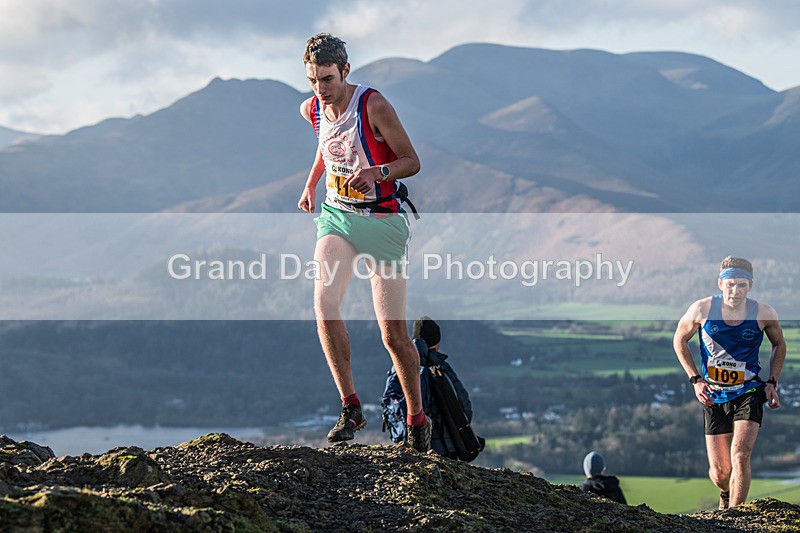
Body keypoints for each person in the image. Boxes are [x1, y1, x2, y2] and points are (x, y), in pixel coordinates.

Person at [297, 33, 430, 452]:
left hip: (383, 223)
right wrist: (311, 186)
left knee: (392, 336)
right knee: (324, 301)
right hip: (337, 217)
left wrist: (378, 173)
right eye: (313, 80)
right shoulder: (311, 108)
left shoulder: (373, 105)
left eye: (328, 79)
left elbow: (412, 161)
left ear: (346, 71)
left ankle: (417, 419)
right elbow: (327, 149)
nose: (320, 89)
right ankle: (350, 406)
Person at [673, 256, 786, 509]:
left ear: (750, 286)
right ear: (720, 284)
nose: (735, 291)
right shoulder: (702, 309)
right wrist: (695, 379)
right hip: (713, 394)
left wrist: (772, 382)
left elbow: (779, 344)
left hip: (749, 391)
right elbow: (679, 340)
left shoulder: (764, 313)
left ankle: (734, 517)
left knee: (740, 455)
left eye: (742, 285)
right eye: (731, 284)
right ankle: (725, 493)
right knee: (720, 471)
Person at [382, 316, 479, 459]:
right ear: (436, 342)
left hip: (405, 446)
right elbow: (464, 406)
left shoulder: (399, 367)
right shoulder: (439, 368)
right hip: (444, 449)